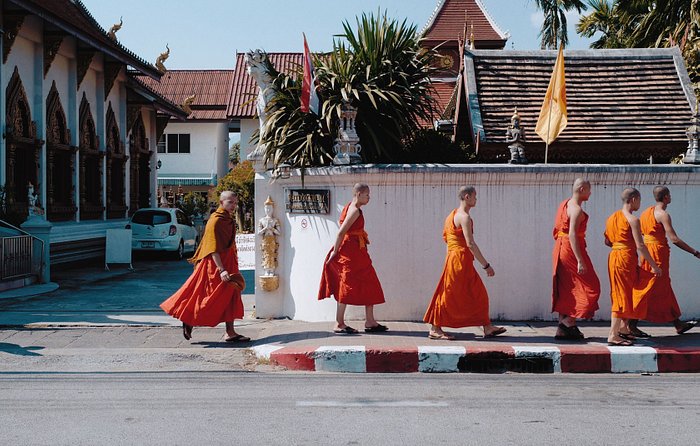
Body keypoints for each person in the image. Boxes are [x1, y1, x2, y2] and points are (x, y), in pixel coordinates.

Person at [160, 191, 248, 342]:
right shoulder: (215, 221)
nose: (233, 206)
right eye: (230, 202)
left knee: (232, 296)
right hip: (216, 266)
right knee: (210, 299)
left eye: (235, 203)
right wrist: (222, 269)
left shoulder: (227, 219)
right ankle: (188, 318)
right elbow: (213, 248)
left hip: (229, 263)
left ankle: (230, 332)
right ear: (221, 202)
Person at [423, 186, 505, 340]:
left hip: (454, 258)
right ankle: (435, 328)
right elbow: (470, 244)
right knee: (449, 293)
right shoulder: (464, 217)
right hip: (460, 260)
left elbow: (447, 240)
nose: (476, 200)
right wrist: (486, 265)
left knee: (476, 293)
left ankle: (487, 327)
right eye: (475, 196)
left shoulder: (451, 215)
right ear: (467, 197)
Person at [318, 183, 387, 334]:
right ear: (358, 194)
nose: (369, 197)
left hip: (357, 251)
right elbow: (341, 232)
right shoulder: (355, 210)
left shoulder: (349, 206)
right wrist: (335, 252)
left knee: (370, 282)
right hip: (350, 252)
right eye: (367, 194)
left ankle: (370, 321)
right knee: (346, 285)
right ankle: (339, 322)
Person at [630, 186, 699, 336]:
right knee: (649, 286)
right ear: (666, 197)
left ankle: (677, 323)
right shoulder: (663, 215)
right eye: (670, 195)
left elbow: (643, 232)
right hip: (657, 254)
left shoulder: (646, 212)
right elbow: (673, 239)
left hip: (649, 251)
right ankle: (631, 323)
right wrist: (694, 252)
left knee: (664, 287)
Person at [604, 188, 662, 346]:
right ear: (634, 199)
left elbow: (607, 241)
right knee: (621, 295)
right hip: (625, 258)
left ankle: (623, 329)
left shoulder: (611, 218)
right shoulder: (633, 220)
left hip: (615, 256)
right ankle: (613, 334)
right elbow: (641, 246)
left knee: (627, 292)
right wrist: (654, 266)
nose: (640, 203)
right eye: (639, 200)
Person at [551, 178, 601, 340]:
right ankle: (567, 322)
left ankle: (563, 329)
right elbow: (572, 234)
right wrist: (580, 260)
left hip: (560, 248)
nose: (591, 193)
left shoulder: (564, 204)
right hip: (571, 249)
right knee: (592, 286)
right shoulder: (576, 209)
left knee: (567, 287)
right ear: (581, 189)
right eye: (588, 189)